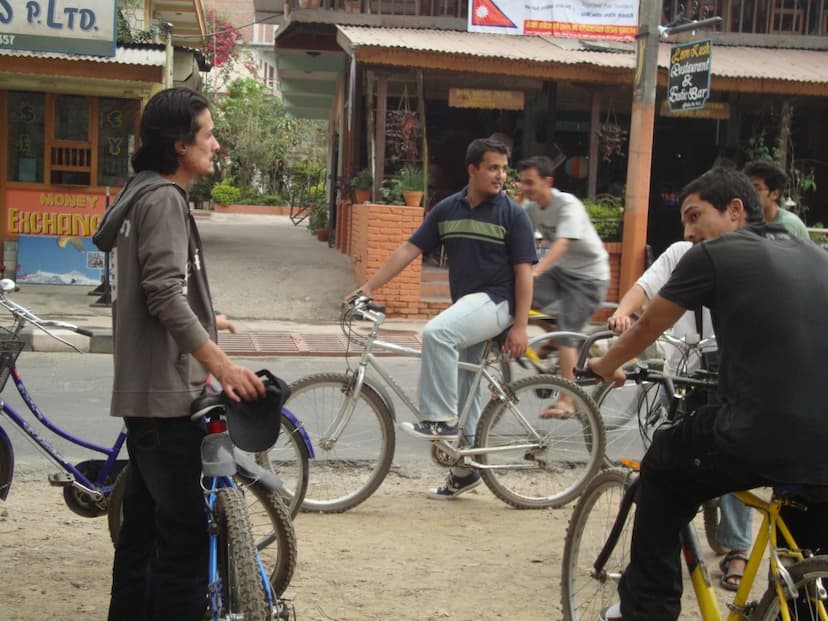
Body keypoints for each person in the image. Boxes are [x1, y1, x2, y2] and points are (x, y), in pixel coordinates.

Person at [591, 167, 828, 621]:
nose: (688, 231)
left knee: (662, 464)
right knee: (806, 567)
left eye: (695, 215)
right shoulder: (815, 255)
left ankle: (646, 608)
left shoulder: (714, 254)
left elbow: (646, 326)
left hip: (761, 430)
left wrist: (604, 365)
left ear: (735, 210)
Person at [93, 87, 266, 621]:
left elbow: (161, 290)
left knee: (142, 534)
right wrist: (223, 366)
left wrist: (210, 319)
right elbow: (163, 293)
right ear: (178, 145)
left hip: (145, 393)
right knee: (184, 542)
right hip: (167, 398)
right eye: (208, 134)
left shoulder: (139, 193)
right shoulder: (164, 198)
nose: (216, 144)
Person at [351, 137, 536, 499]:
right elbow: (409, 248)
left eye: (504, 168)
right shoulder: (448, 209)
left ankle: (440, 421)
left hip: (498, 302)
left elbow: (524, 272)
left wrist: (520, 325)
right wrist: (368, 288)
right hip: (469, 306)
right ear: (473, 170)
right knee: (465, 388)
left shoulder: (513, 215)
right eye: (493, 168)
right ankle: (466, 469)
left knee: (437, 333)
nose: (501, 175)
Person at [517, 155, 609, 417]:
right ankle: (557, 338)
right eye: (522, 182)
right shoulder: (531, 208)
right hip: (562, 272)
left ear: (547, 182)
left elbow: (562, 243)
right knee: (520, 301)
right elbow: (515, 234)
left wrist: (536, 271)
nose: (525, 187)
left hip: (590, 278)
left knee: (567, 333)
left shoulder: (568, 205)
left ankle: (567, 400)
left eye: (530, 182)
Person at [743, 160, 809, 238]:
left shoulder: (787, 224)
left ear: (774, 194)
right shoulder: (750, 221)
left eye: (757, 188)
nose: (749, 193)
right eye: (747, 188)